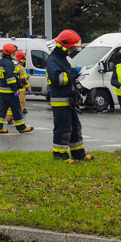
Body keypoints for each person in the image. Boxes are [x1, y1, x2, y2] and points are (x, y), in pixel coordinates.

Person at [46, 29, 92, 162]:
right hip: (60, 99)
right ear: (64, 45)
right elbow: (58, 80)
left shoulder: (61, 59)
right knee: (63, 127)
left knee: (75, 126)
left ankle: (79, 154)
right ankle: (60, 155)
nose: (71, 50)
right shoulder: (53, 60)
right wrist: (73, 74)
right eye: (71, 47)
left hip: (68, 99)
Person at [0, 43, 33, 134]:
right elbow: (10, 79)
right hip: (10, 91)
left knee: (2, 109)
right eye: (14, 52)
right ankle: (21, 127)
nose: (15, 54)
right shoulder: (8, 63)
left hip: (3, 90)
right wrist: (15, 90)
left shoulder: (2, 62)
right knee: (16, 109)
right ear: (8, 53)